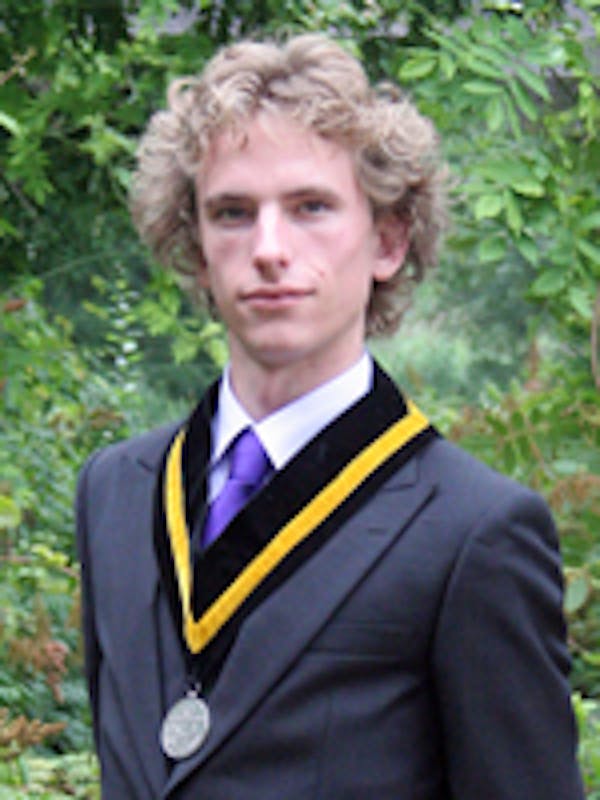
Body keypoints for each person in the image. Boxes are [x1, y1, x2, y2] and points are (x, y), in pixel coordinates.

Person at [76, 34, 584, 800]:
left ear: (388, 241)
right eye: (232, 213)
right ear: (197, 248)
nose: (268, 249)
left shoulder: (475, 533)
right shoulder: (114, 490)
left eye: (310, 208)